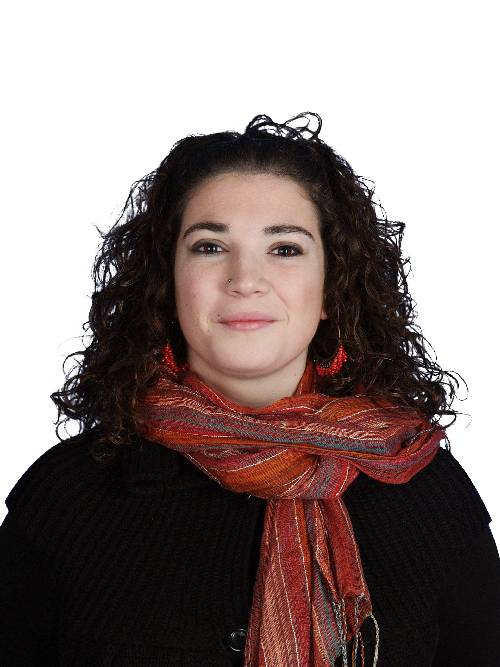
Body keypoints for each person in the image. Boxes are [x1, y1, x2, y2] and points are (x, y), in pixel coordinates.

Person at [1, 112, 499, 666]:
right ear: (167, 284)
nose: (244, 280)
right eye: (210, 247)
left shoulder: (426, 491)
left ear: (332, 288)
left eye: (284, 248)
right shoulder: (66, 496)